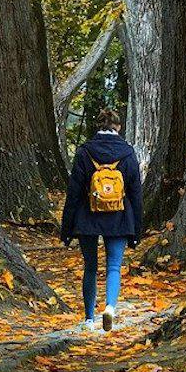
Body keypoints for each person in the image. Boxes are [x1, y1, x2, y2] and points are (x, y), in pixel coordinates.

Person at [60, 106, 142, 332]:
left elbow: (74, 192)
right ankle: (110, 308)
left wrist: (66, 229)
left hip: (88, 216)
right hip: (119, 216)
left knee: (91, 267)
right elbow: (135, 193)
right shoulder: (127, 152)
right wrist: (137, 230)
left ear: (99, 125)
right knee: (114, 266)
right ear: (118, 127)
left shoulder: (85, 151)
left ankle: (88, 318)